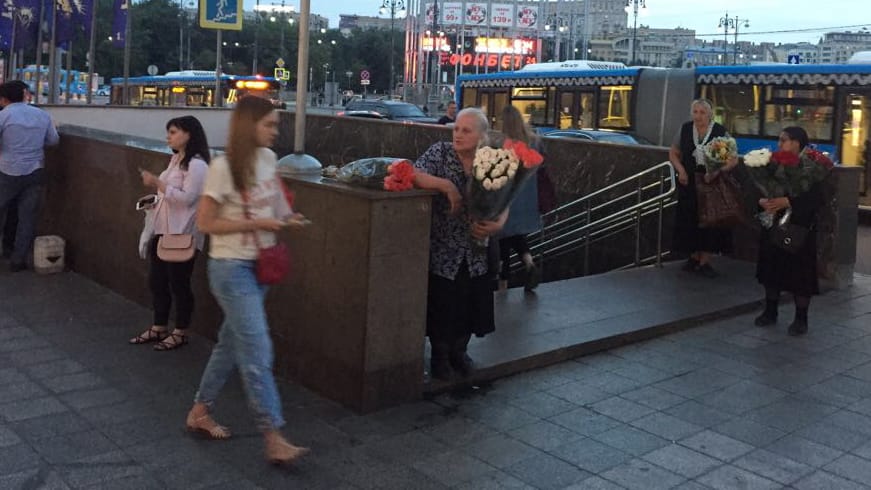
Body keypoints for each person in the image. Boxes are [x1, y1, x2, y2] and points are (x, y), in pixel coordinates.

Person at [185, 96, 309, 465]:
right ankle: (272, 435)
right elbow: (205, 223)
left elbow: (276, 206)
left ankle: (199, 411)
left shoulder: (269, 160)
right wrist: (258, 223)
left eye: (276, 124)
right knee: (257, 349)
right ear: (248, 125)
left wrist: (289, 218)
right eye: (269, 124)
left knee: (230, 344)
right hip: (230, 267)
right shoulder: (223, 166)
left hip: (261, 265)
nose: (276, 131)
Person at [413, 107, 507, 381]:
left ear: (482, 136)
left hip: (478, 249)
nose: (458, 134)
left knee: (471, 303)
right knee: (444, 305)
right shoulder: (440, 153)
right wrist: (446, 186)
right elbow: (414, 174)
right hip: (444, 249)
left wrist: (499, 223)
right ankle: (440, 356)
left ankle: (460, 352)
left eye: (466, 130)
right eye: (456, 128)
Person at [129, 116, 210, 350]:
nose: (169, 137)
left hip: (183, 232)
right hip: (162, 229)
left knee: (179, 284)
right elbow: (171, 194)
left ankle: (181, 331)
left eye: (173, 132)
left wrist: (158, 183)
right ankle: (159, 326)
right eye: (169, 132)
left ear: (189, 134)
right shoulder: (176, 159)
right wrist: (155, 199)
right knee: (158, 281)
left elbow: (187, 199)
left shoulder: (197, 165)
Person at [754, 127, 827, 336]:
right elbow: (760, 189)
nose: (780, 144)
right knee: (771, 269)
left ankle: (801, 319)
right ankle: (770, 311)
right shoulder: (775, 164)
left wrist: (787, 201)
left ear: (797, 143)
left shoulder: (811, 165)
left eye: (784, 140)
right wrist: (763, 202)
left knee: (800, 275)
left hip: (799, 228)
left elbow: (816, 199)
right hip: (774, 223)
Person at [669, 98, 737, 278]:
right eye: (695, 112)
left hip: (710, 183)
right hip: (689, 182)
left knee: (709, 220)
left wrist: (716, 171)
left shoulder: (719, 132)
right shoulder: (685, 129)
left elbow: (732, 159)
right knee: (689, 218)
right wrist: (681, 170)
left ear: (710, 114)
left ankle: (705, 260)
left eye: (702, 112)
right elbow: (674, 152)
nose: (698, 116)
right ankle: (693, 256)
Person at [0, 81, 59, 272]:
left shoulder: (4, 116)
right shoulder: (42, 115)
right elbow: (53, 140)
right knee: (27, 217)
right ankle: (18, 260)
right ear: (24, 94)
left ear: (4, 99)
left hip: (7, 171)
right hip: (35, 171)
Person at [496, 105, 541, 292]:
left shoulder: (504, 143)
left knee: (502, 241)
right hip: (527, 197)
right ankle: (529, 262)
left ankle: (502, 286)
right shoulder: (533, 141)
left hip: (507, 198)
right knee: (516, 235)